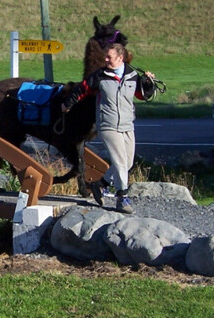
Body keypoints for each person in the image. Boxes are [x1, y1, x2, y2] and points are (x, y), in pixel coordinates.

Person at [62, 43, 153, 214]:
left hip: (127, 124)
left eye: (109, 57)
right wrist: (67, 104)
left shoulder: (132, 75)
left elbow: (142, 95)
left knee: (128, 163)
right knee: (119, 162)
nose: (105, 59)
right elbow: (83, 89)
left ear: (120, 58)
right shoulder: (100, 76)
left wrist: (148, 83)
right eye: (105, 56)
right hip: (107, 124)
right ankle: (122, 197)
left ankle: (100, 184)